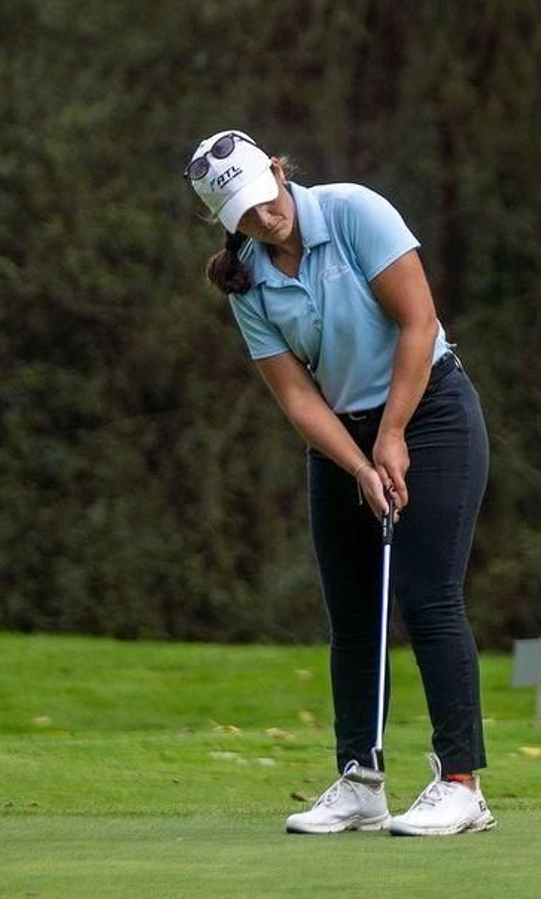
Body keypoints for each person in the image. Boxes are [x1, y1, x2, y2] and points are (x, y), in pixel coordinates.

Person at [186, 129, 494, 836]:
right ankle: (361, 780)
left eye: (266, 199)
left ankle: (461, 783)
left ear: (276, 170)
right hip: (339, 438)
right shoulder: (248, 280)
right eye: (244, 215)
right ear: (225, 221)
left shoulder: (355, 212)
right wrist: (357, 463)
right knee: (353, 614)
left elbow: (420, 323)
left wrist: (391, 435)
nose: (266, 219)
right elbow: (298, 399)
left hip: (432, 413)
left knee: (429, 599)